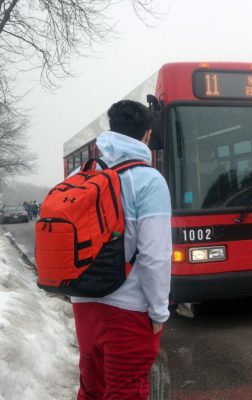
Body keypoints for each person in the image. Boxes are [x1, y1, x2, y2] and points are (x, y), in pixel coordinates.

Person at [70, 100, 172, 399]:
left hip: (83, 303)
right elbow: (155, 256)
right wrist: (158, 313)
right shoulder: (148, 180)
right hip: (128, 311)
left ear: (111, 129)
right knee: (126, 392)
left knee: (91, 390)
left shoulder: (80, 173)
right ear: (147, 136)